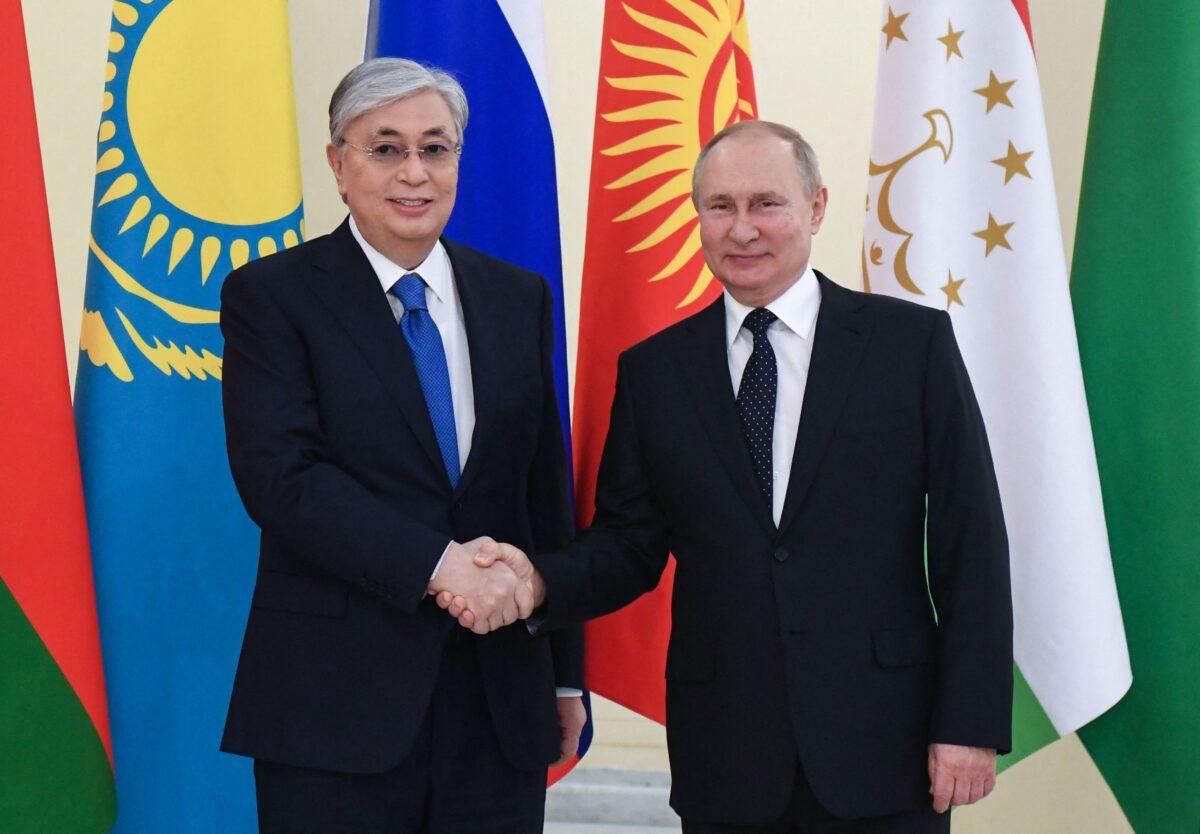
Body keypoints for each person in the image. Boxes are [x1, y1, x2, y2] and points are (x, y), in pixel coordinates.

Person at [442, 120, 1013, 833]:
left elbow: (973, 543)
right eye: (720, 207)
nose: (742, 229)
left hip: (884, 747)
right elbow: (629, 544)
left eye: (766, 204)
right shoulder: (656, 372)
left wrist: (970, 722)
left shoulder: (910, 346)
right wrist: (536, 583)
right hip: (728, 755)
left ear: (815, 207)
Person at [218, 58, 584, 833]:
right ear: (338, 164)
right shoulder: (272, 296)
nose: (414, 172)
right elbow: (280, 479)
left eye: (436, 147)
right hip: (334, 706)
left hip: (497, 701)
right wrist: (438, 564)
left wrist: (562, 677)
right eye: (385, 148)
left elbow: (544, 492)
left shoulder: (518, 297)